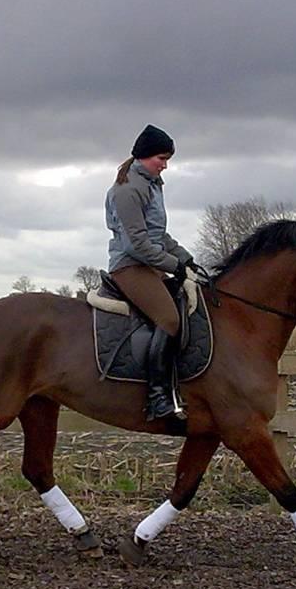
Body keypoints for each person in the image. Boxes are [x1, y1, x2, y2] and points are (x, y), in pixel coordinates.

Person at [105, 124, 196, 420]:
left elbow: (160, 236)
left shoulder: (152, 186)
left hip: (150, 264)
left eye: (167, 159)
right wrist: (174, 265)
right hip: (130, 266)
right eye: (161, 158)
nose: (165, 165)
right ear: (144, 156)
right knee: (169, 319)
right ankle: (158, 400)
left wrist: (187, 259)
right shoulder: (129, 190)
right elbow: (136, 245)